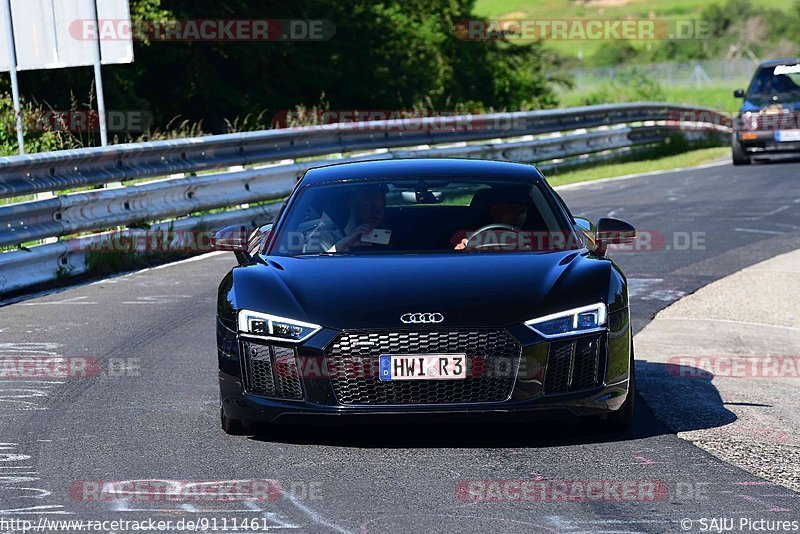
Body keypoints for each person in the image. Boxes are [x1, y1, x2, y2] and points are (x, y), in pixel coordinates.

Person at [304, 185, 387, 253]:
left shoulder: (394, 238)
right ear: (352, 204)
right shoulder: (322, 239)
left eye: (381, 207)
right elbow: (310, 270)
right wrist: (339, 247)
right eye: (369, 206)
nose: (377, 213)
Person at [454, 189, 529, 250]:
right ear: (495, 210)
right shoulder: (465, 236)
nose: (518, 215)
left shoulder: (537, 238)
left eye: (522, 211)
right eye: (511, 210)